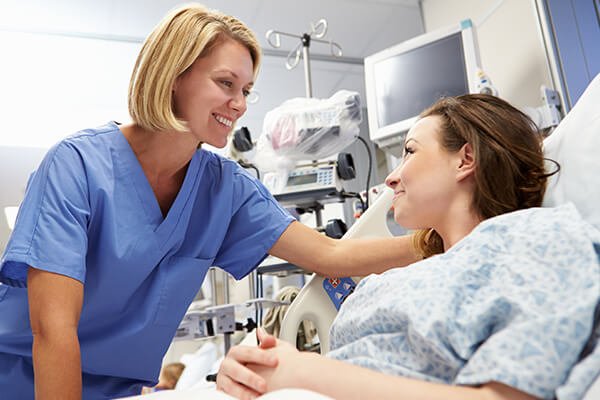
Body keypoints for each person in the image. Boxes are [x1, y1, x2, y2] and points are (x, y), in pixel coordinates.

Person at [0, 4, 418, 399]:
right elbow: (53, 331)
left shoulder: (225, 189)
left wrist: (441, 240)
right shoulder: (76, 167)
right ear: (174, 75)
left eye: (246, 90)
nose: (239, 105)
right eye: (225, 84)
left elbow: (330, 255)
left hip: (119, 392)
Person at [217, 94, 600, 399]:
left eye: (410, 151)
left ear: (466, 159)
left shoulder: (537, 239)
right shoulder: (395, 280)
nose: (392, 178)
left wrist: (304, 373)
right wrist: (254, 370)